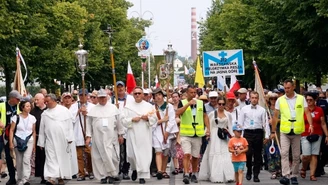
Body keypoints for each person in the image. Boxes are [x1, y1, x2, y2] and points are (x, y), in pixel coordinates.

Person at [271, 79, 313, 185]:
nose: (286, 90)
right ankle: (286, 175)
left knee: (295, 155)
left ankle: (294, 175)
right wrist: (273, 131)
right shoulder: (280, 100)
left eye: (288, 88)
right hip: (285, 130)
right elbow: (275, 116)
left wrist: (311, 124)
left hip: (297, 131)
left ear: (293, 87)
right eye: (285, 88)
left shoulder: (301, 98)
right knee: (284, 153)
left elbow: (307, 112)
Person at [85, 89, 124, 184]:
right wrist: (88, 136)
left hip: (111, 137)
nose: (102, 99)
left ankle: (112, 174)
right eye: (100, 97)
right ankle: (103, 175)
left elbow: (119, 122)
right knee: (99, 157)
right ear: (97, 98)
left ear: (107, 97)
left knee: (113, 156)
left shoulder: (113, 108)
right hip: (98, 137)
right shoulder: (93, 110)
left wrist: (120, 134)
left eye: (104, 97)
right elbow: (89, 124)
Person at [121, 87, 157, 184]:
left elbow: (154, 119)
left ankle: (142, 176)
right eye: (135, 93)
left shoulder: (149, 106)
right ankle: (135, 169)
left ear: (143, 95)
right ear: (133, 95)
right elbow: (123, 120)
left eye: (139, 93)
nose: (137, 95)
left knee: (144, 155)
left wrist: (148, 118)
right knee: (132, 155)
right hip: (132, 134)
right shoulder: (128, 107)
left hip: (144, 134)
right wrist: (132, 119)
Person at [176, 85, 210, 184]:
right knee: (186, 154)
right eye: (191, 92)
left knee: (195, 156)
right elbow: (178, 113)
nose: (193, 94)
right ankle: (186, 174)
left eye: (194, 92)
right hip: (186, 134)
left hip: (197, 134)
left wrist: (208, 129)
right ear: (187, 93)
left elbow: (205, 116)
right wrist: (188, 105)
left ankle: (194, 174)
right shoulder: (182, 102)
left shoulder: (200, 103)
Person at [37, 93, 74, 185]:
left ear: (53, 101)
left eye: (47, 101)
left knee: (61, 159)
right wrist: (41, 142)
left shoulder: (64, 111)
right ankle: (51, 179)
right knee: (50, 159)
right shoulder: (45, 114)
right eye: (45, 102)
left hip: (62, 140)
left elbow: (69, 125)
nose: (46, 103)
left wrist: (70, 137)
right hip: (50, 140)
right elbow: (42, 129)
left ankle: (61, 177)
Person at [199, 96, 234, 183]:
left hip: (224, 136)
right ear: (217, 104)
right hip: (214, 135)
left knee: (225, 154)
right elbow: (208, 125)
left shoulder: (228, 114)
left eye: (223, 104)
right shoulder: (212, 114)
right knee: (215, 154)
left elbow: (230, 126)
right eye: (219, 104)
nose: (221, 105)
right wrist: (207, 133)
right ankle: (215, 175)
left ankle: (228, 175)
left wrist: (233, 137)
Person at [238, 91, 270, 182]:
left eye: (256, 98)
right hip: (247, 133)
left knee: (257, 154)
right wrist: (240, 136)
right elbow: (240, 123)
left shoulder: (262, 110)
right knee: (248, 153)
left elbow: (265, 123)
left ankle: (256, 174)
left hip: (258, 132)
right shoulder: (244, 109)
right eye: (252, 97)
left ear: (258, 99)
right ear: (250, 98)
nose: (254, 99)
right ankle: (249, 169)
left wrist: (267, 135)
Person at [300, 92, 328, 181]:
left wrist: (327, 135)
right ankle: (304, 168)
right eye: (307, 100)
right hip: (305, 134)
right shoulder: (303, 110)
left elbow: (323, 123)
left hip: (317, 134)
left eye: (310, 100)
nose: (308, 102)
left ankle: (312, 174)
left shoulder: (319, 110)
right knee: (306, 155)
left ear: (315, 100)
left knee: (314, 155)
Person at [151, 88, 178, 180]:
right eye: (156, 95)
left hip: (167, 132)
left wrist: (167, 132)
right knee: (158, 151)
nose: (158, 97)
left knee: (166, 153)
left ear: (163, 96)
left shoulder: (169, 106)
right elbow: (151, 122)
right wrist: (161, 121)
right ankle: (159, 170)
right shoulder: (152, 108)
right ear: (154, 97)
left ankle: (163, 170)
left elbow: (172, 120)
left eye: (159, 95)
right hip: (156, 132)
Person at [9, 100, 36, 185]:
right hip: (17, 140)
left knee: (26, 159)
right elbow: (11, 130)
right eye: (27, 106)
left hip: (29, 140)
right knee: (19, 160)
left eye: (30, 106)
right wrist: (11, 143)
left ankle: (25, 179)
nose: (29, 107)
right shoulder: (15, 117)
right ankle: (20, 178)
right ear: (22, 107)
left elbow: (34, 131)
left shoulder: (32, 118)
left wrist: (34, 144)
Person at [112, 81, 134, 180]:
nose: (120, 89)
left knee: (126, 151)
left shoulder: (130, 99)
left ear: (125, 88)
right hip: (115, 129)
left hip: (127, 129)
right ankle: (117, 170)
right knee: (116, 151)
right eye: (118, 87)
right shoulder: (111, 100)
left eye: (122, 87)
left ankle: (125, 170)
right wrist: (113, 108)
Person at [72, 89, 95, 181]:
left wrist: (87, 114)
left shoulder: (93, 107)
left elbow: (95, 119)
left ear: (88, 96)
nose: (83, 97)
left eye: (85, 95)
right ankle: (81, 173)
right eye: (81, 95)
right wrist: (78, 112)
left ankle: (90, 171)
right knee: (79, 155)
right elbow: (70, 119)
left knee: (89, 154)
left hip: (88, 133)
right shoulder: (73, 107)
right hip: (78, 133)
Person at [0, 90, 22, 185]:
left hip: (18, 134)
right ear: (12, 98)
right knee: (8, 157)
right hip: (4, 134)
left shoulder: (20, 106)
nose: (18, 101)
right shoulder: (1, 106)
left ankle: (22, 177)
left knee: (20, 156)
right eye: (17, 99)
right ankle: (12, 178)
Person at [30, 93, 47, 184]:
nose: (36, 102)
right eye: (35, 100)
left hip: (47, 137)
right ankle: (42, 175)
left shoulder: (48, 110)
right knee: (40, 157)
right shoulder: (33, 111)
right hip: (37, 137)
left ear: (43, 99)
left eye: (37, 100)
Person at [61, 92, 78, 178]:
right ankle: (65, 171)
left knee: (72, 153)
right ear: (62, 99)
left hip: (72, 132)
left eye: (69, 98)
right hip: (63, 133)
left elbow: (73, 119)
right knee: (64, 153)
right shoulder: (60, 109)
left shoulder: (75, 108)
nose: (67, 100)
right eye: (65, 98)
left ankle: (73, 171)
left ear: (72, 99)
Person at [264, 92, 282, 179]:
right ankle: (273, 171)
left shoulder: (280, 109)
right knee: (270, 152)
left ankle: (279, 170)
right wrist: (268, 121)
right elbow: (263, 120)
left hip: (279, 132)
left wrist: (276, 121)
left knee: (278, 152)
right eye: (271, 99)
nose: (273, 100)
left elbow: (284, 119)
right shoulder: (266, 109)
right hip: (269, 131)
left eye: (275, 99)